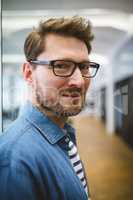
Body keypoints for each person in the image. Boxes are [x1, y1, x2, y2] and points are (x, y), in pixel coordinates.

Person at [0, 16, 100, 200]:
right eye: (61, 65)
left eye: (84, 67)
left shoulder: (63, 134)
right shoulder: (14, 161)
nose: (79, 81)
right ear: (29, 73)